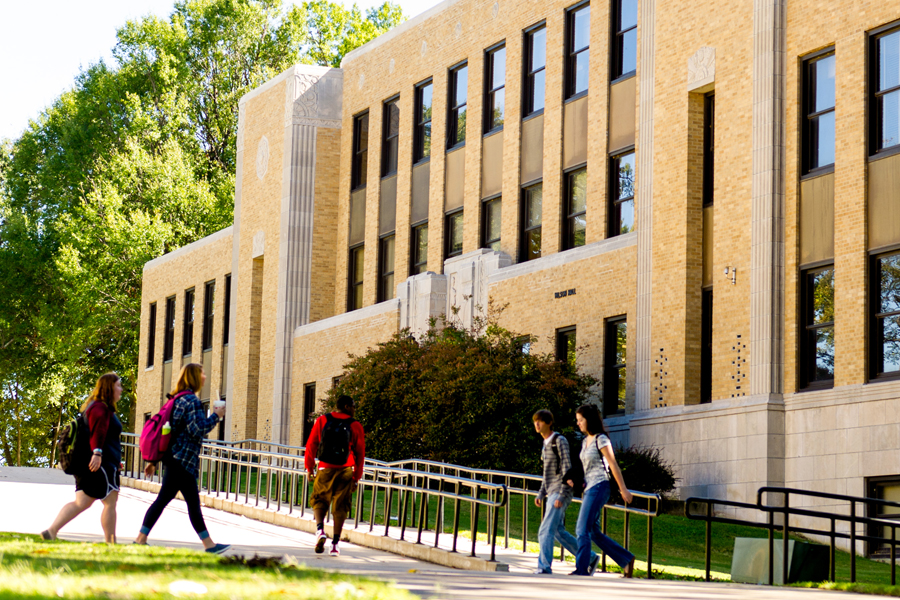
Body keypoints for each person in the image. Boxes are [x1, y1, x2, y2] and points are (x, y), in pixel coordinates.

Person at [134, 363, 229, 554]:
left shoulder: (176, 399)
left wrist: (154, 461)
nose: (204, 376)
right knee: (186, 503)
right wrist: (216, 416)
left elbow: (169, 431)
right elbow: (197, 429)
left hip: (175, 458)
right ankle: (209, 545)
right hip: (183, 460)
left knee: (171, 501)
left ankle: (141, 538)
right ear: (194, 377)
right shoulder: (191, 400)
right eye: (202, 373)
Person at [42, 373, 124, 544]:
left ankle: (52, 530)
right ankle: (111, 543)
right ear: (109, 387)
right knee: (110, 502)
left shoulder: (96, 407)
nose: (121, 389)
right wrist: (98, 453)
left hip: (97, 461)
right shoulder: (100, 409)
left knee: (82, 502)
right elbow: (98, 432)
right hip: (100, 463)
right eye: (118, 385)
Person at [568, 404, 635, 577]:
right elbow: (586, 467)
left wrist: (623, 489)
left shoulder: (601, 439)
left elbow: (612, 464)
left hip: (600, 486)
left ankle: (582, 570)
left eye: (580, 420)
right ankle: (626, 559)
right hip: (589, 486)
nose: (578, 424)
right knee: (593, 532)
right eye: (577, 420)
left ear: (589, 420)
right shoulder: (585, 441)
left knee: (581, 529)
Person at [532, 409, 598, 575]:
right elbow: (547, 474)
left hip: (560, 491)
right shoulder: (545, 444)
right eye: (535, 421)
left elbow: (566, 468)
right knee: (556, 531)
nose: (537, 424)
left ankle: (544, 567)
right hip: (551, 491)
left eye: (540, 421)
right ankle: (589, 557)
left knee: (545, 529)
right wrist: (541, 493)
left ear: (549, 423)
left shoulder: (559, 440)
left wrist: (562, 494)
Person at [304, 394, 365, 557]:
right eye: (353, 405)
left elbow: (311, 444)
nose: (354, 408)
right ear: (346, 406)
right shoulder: (355, 425)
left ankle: (320, 531)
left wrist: (309, 468)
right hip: (345, 469)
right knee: (341, 505)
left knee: (319, 499)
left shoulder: (322, 420)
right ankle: (335, 545)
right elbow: (360, 453)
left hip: (325, 468)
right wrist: (356, 477)